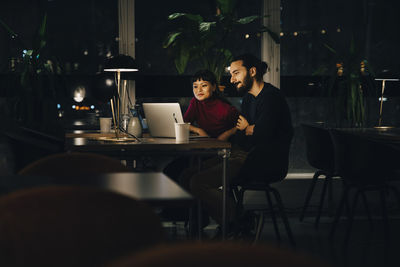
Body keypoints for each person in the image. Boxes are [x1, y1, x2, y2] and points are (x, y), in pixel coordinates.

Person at [184, 54, 293, 236]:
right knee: (188, 174)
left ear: (252, 71)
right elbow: (244, 130)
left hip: (264, 161)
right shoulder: (250, 98)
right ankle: (235, 223)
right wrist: (247, 129)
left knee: (198, 182)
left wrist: (250, 129)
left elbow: (262, 134)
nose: (232, 79)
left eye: (236, 73)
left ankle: (236, 223)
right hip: (243, 154)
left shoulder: (271, 97)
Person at [183, 69, 239, 140]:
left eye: (204, 85)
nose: (199, 90)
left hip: (226, 144)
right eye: (195, 86)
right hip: (205, 143)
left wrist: (226, 134)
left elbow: (241, 125)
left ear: (213, 87)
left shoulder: (226, 108)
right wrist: (199, 130)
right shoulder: (195, 102)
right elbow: (184, 123)